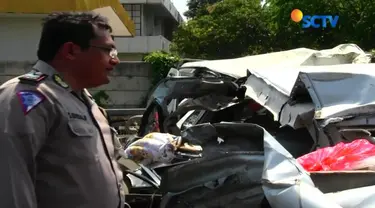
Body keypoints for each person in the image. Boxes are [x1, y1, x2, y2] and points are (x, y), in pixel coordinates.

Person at [0, 12, 127, 208]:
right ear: (71, 50)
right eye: (108, 51)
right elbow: (10, 183)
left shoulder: (84, 100)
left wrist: (143, 163)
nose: (115, 60)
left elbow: (113, 160)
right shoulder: (27, 97)